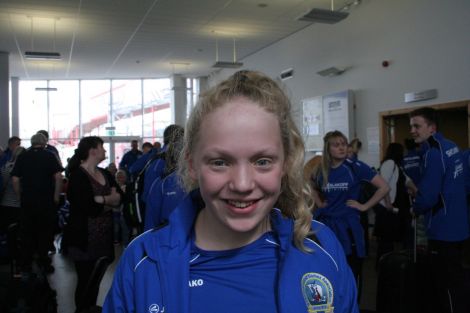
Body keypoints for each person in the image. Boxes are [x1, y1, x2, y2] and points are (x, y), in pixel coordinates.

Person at [103, 70, 359, 313]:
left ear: (286, 163)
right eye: (220, 162)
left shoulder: (320, 246)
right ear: (192, 165)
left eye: (262, 161)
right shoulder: (143, 262)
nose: (243, 184)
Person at [311, 130, 389, 297]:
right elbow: (310, 185)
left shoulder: (355, 167)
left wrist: (364, 206)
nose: (341, 148)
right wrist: (319, 203)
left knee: (352, 271)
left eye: (343, 144)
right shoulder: (321, 170)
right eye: (336, 145)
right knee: (330, 270)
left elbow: (384, 187)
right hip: (327, 226)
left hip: (349, 228)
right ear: (328, 149)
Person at [409, 107, 469, 313]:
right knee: (458, 281)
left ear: (432, 128)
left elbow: (428, 197)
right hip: (459, 226)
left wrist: (415, 207)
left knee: (445, 286)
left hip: (442, 229)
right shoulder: (452, 145)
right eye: (411, 126)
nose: (412, 130)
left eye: (417, 126)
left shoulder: (433, 154)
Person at [62, 136, 122, 313]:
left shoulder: (105, 173)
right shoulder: (78, 176)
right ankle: (82, 309)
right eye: (102, 147)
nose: (105, 151)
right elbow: (87, 207)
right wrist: (108, 200)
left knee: (96, 280)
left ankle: (90, 308)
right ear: (92, 151)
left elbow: (120, 198)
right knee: (85, 281)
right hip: (83, 240)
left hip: (103, 240)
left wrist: (100, 200)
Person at [11, 133, 63, 275]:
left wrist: (19, 196)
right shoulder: (50, 155)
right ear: (45, 142)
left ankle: (26, 264)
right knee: (44, 233)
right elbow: (58, 177)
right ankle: (44, 262)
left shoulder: (23, 156)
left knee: (27, 234)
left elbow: (15, 179)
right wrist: (56, 196)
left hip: (28, 202)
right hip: (46, 202)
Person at [374, 143, 415, 266]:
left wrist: (415, 191)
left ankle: (387, 265)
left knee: (389, 240)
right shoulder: (389, 164)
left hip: (392, 209)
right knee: (385, 241)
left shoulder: (397, 166)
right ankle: (382, 266)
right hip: (387, 208)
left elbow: (407, 181)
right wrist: (388, 203)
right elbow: (384, 185)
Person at [0, 146, 25, 233]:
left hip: (6, 202)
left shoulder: (6, 167)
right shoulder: (26, 168)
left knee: (7, 231)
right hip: (21, 203)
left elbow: (3, 185)